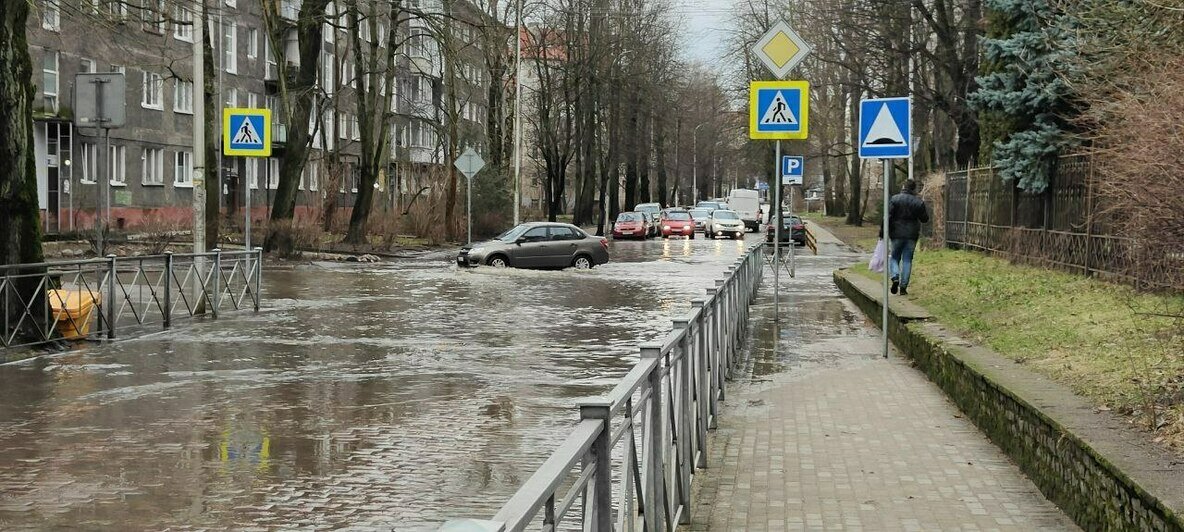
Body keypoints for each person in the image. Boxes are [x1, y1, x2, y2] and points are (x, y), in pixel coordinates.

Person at [887, 179, 929, 295]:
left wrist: (886, 230)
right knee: (907, 260)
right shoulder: (918, 202)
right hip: (911, 234)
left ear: (904, 186)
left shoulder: (894, 199)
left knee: (894, 257)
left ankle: (895, 277)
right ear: (914, 188)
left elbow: (889, 216)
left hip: (896, 233)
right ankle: (903, 287)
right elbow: (925, 219)